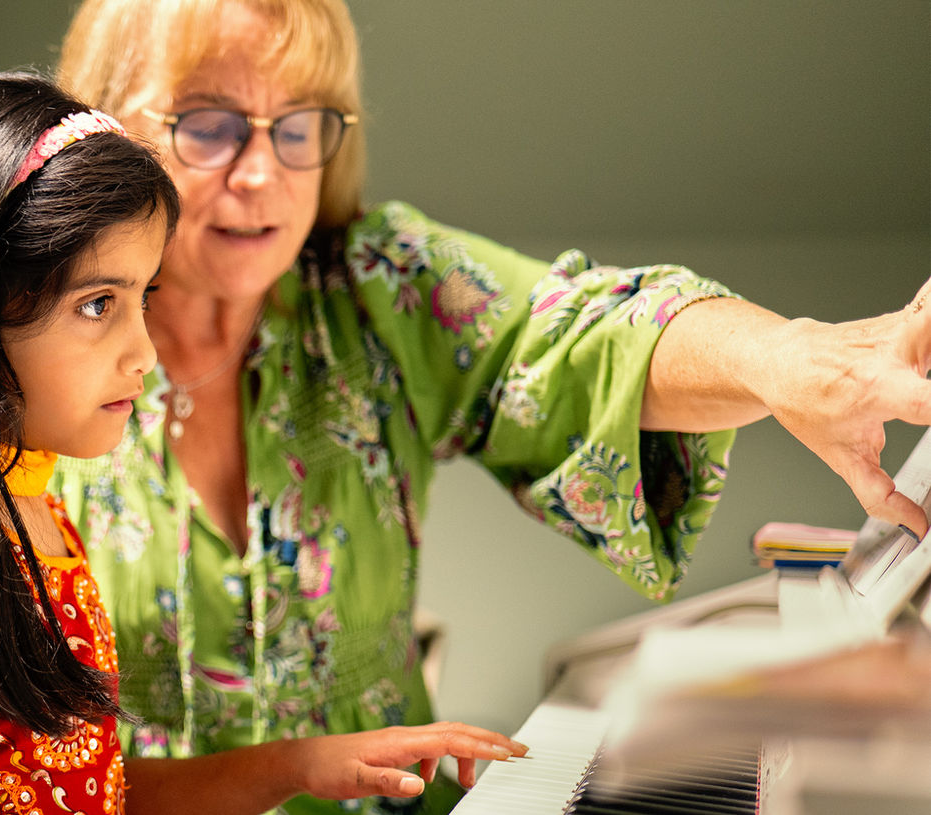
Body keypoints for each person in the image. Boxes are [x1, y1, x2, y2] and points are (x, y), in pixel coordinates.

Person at [48, 1, 931, 812]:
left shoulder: (372, 283)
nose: (262, 174)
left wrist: (781, 357)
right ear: (105, 125)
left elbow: (581, 336)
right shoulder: (27, 346)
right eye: (209, 126)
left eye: (299, 127)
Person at [0, 70, 527, 815]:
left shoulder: (28, 508)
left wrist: (301, 763)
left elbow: (88, 793)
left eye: (143, 296)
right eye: (97, 304)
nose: (142, 352)